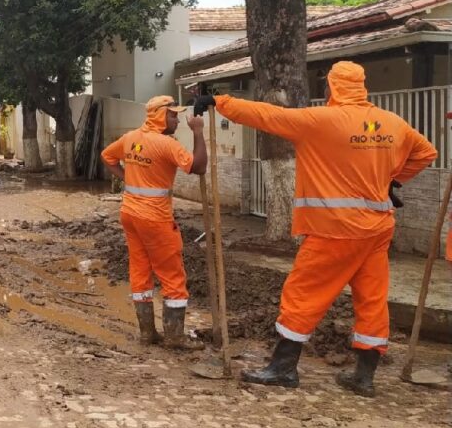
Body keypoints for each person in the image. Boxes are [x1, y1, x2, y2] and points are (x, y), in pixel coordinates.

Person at [193, 61, 437, 397]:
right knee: (372, 301)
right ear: (362, 87)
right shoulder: (394, 124)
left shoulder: (320, 121)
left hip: (334, 230)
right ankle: (363, 377)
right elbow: (427, 153)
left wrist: (220, 102)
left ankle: (283, 368)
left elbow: (268, 116)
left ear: (332, 87)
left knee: (303, 295)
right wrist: (395, 179)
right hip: (377, 230)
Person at [101, 95, 208, 350]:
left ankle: (147, 333)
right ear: (160, 115)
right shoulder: (165, 144)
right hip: (155, 219)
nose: (177, 119)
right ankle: (174, 337)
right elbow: (200, 166)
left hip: (130, 215)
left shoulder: (131, 139)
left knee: (140, 270)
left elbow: (107, 156)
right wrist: (198, 132)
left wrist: (127, 179)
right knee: (172, 275)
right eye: (172, 115)